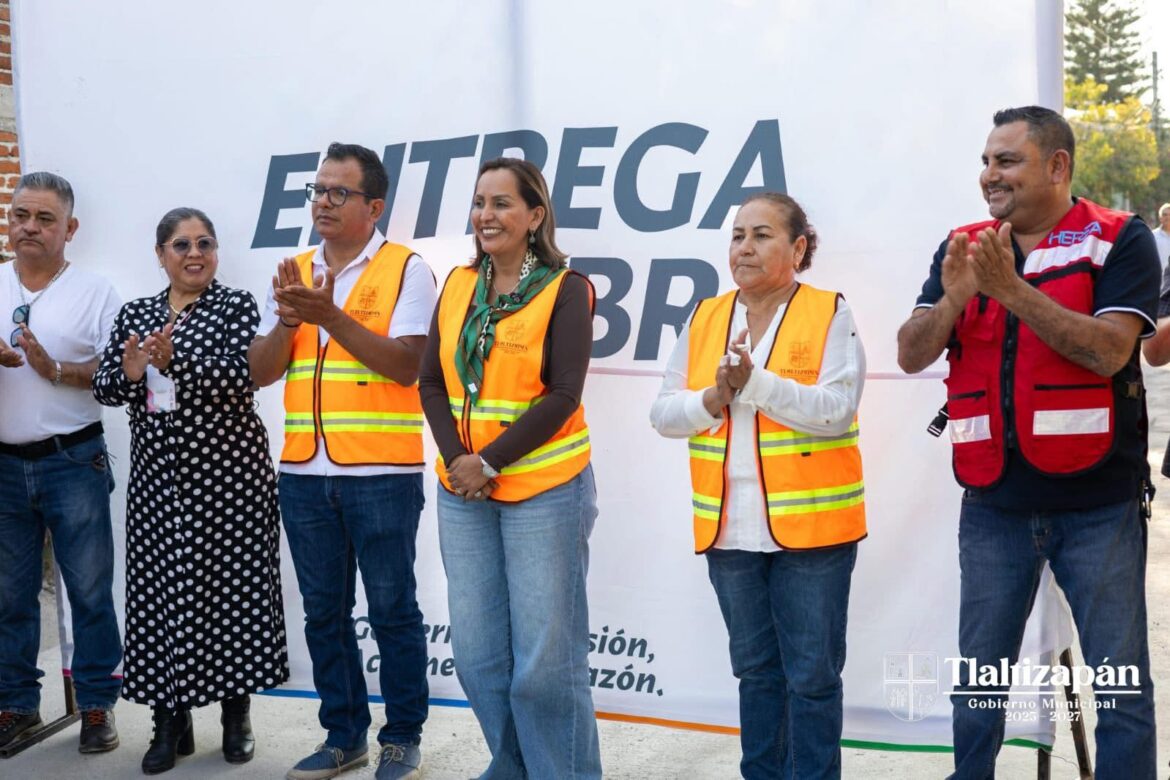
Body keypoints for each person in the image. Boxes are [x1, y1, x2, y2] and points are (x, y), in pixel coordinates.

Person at [896, 106, 1160, 779]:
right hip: (992, 506)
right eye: (986, 161)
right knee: (979, 687)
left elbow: (1109, 352)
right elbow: (911, 353)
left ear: (1057, 165)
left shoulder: (1118, 238)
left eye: (1006, 160)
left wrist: (1011, 292)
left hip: (1099, 505)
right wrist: (954, 299)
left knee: (1121, 686)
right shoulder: (964, 245)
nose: (990, 174)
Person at [650, 192, 866, 779]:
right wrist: (715, 395)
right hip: (730, 532)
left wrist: (756, 384)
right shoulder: (705, 316)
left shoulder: (829, 311)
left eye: (761, 235)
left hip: (814, 534)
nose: (744, 247)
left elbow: (837, 410)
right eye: (738, 235)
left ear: (798, 249)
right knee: (756, 675)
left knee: (812, 679)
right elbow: (664, 414)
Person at [248, 142, 435, 780]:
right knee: (323, 613)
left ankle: (401, 737)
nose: (323, 203)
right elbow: (261, 373)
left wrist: (329, 314)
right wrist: (287, 322)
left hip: (381, 473)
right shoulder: (294, 270)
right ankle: (343, 736)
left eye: (339, 193)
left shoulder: (407, 269)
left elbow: (407, 365)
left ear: (373, 207)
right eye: (318, 191)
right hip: (304, 473)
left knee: (392, 611)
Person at [418, 157, 600, 779]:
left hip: (544, 490)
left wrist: (489, 461)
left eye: (501, 203)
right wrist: (458, 461)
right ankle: (515, 767)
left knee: (546, 666)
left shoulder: (565, 288)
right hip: (464, 491)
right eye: (479, 202)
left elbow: (564, 394)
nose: (485, 215)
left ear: (535, 216)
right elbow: (431, 381)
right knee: (477, 657)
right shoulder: (458, 284)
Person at [92, 207, 288, 773]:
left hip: (230, 482)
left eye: (205, 243)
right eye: (182, 244)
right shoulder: (137, 314)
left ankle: (236, 716)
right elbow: (106, 387)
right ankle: (168, 722)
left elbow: (244, 375)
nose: (195, 253)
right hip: (159, 484)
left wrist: (178, 363)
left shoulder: (235, 306)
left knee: (231, 597)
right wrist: (132, 372)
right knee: (159, 600)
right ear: (161, 255)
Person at [0, 172, 122, 756]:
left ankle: (97, 704)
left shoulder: (95, 292)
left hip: (73, 459)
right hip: (3, 465)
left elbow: (118, 375)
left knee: (89, 591)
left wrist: (54, 370)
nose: (30, 227)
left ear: (70, 229)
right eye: (21, 215)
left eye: (45, 219)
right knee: (9, 596)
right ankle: (16, 704)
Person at [1152, 203, 1170, 272]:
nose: (1168, 217)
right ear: (1160, 218)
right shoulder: (1153, 236)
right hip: (1159, 277)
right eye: (1165, 215)